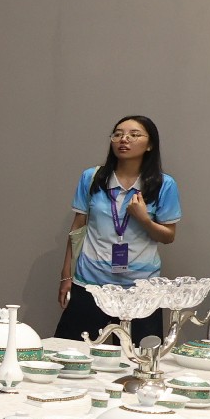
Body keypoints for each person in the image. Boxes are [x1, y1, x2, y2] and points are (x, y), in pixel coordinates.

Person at [57, 115, 181, 344]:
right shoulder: (92, 178)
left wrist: (144, 219)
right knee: (73, 351)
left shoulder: (163, 184)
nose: (124, 139)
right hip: (90, 283)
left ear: (150, 145)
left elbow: (168, 236)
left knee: (138, 358)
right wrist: (66, 276)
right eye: (118, 134)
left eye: (134, 135)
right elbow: (77, 229)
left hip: (141, 289)